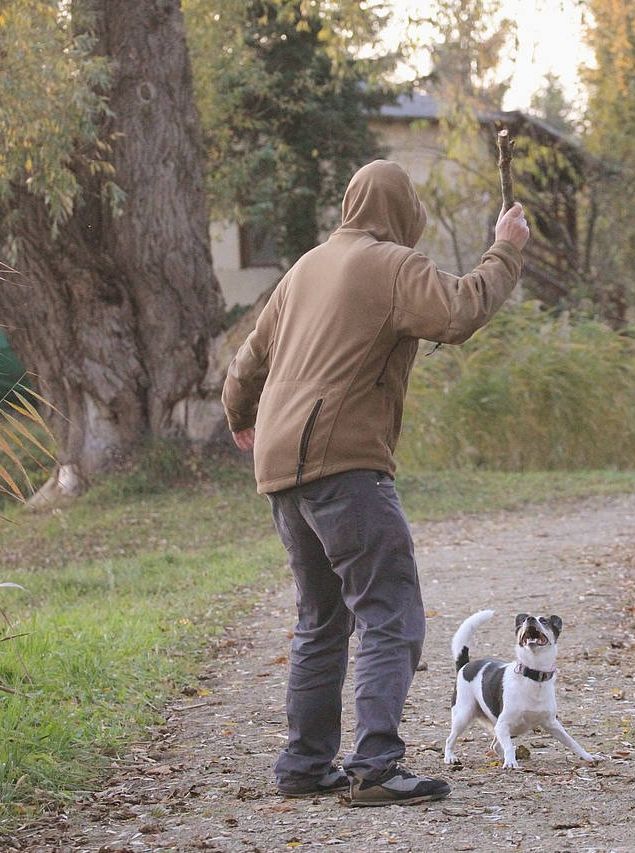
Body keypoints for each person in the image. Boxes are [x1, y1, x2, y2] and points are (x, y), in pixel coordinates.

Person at [222, 159, 529, 806]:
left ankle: (304, 763)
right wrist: (505, 249)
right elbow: (459, 311)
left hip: (281, 468)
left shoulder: (304, 267)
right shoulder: (391, 264)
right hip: (344, 465)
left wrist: (240, 418)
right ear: (401, 210)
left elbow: (248, 359)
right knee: (390, 612)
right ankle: (376, 765)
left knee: (320, 617)